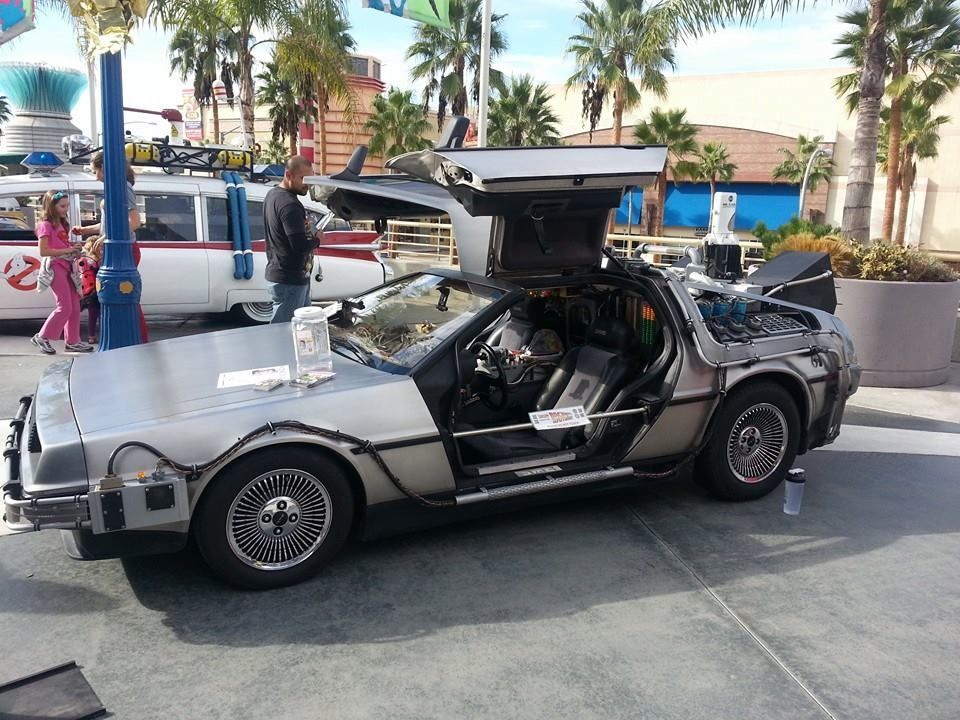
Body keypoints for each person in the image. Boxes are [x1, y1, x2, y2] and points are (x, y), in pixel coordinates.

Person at [72, 152, 149, 342]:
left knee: (124, 294)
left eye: (95, 171)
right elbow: (110, 223)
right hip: (117, 248)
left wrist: (107, 236)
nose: (95, 176)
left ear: (105, 169)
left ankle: (136, 338)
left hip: (123, 249)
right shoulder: (117, 187)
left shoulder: (122, 187)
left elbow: (134, 221)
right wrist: (87, 230)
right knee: (119, 293)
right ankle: (132, 337)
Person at [31, 191, 93, 354]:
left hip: (66, 266)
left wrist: (73, 248)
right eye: (62, 206)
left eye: (67, 206)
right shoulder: (45, 225)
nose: (66, 209)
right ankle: (42, 336)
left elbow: (58, 245)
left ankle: (73, 340)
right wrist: (69, 249)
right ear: (52, 206)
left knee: (74, 306)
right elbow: (44, 251)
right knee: (64, 306)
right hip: (55, 266)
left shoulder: (61, 224)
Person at [264, 155, 318, 323]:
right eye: (302, 178)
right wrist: (318, 239)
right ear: (288, 175)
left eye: (309, 178)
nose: (307, 184)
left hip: (285, 276)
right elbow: (299, 245)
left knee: (303, 331)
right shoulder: (290, 205)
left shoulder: (272, 195)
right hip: (290, 280)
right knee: (284, 333)